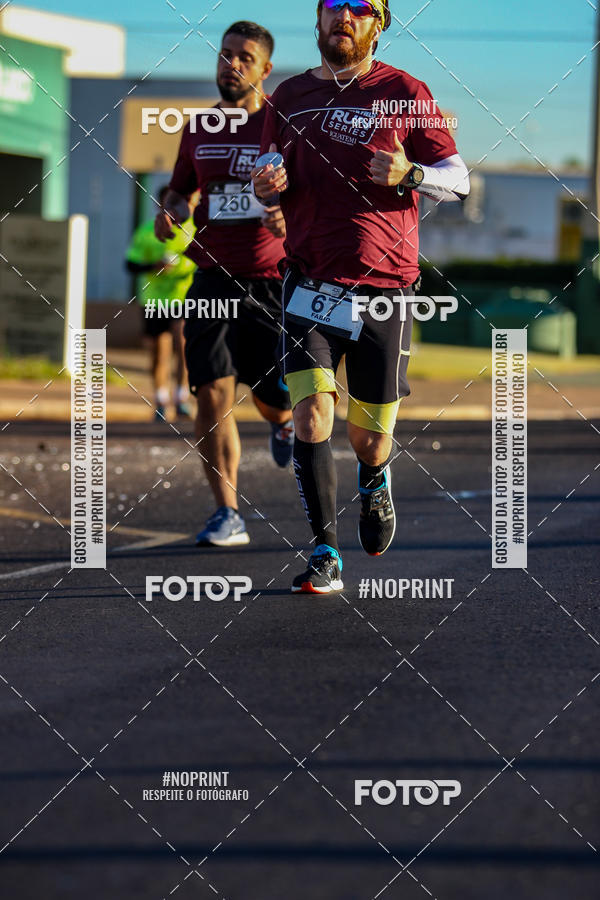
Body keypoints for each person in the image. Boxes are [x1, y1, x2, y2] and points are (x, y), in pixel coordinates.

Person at [252, 0, 470, 592]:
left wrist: (411, 175)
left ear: (379, 24)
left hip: (384, 291)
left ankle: (375, 478)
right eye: (332, 5)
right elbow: (268, 175)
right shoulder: (288, 97)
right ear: (317, 20)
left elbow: (459, 178)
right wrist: (264, 184)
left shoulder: (404, 90)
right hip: (308, 283)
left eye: (359, 7)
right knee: (311, 415)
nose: (343, 15)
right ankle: (325, 548)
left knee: (369, 434)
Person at [155, 20, 294, 548]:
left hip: (270, 283)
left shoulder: (283, 127)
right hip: (212, 277)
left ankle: (282, 422)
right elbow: (179, 191)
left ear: (264, 70)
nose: (230, 64)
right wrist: (169, 212)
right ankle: (227, 513)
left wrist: (287, 217)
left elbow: (310, 197)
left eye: (244, 56)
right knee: (212, 391)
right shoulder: (199, 127)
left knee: (268, 391)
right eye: (225, 53)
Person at [126, 185, 196, 421]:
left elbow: (210, 262)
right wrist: (155, 266)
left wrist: (183, 268)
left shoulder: (195, 229)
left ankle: (182, 397)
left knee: (183, 346)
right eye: (168, 204)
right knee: (159, 353)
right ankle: (161, 400)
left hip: (183, 298)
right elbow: (131, 264)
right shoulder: (147, 231)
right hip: (155, 300)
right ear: (159, 205)